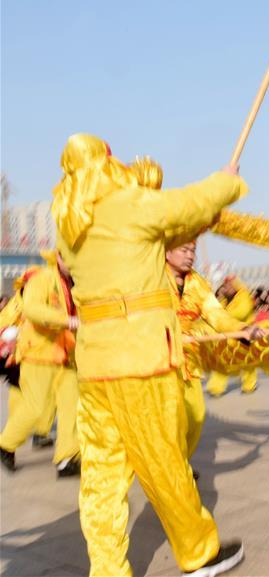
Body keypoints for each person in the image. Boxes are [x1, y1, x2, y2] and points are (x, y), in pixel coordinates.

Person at [52, 133, 246, 576]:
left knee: (101, 478)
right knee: (162, 461)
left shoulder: (70, 226)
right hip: (140, 358)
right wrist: (226, 181)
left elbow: (168, 228)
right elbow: (186, 205)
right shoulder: (126, 205)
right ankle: (198, 554)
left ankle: (107, 569)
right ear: (105, 165)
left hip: (96, 366)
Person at [166, 241, 264, 458]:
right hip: (156, 359)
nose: (190, 256)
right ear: (167, 251)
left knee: (196, 417)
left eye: (192, 251)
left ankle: (181, 464)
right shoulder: (152, 278)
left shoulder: (197, 283)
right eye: (184, 250)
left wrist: (241, 329)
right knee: (165, 420)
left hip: (189, 358)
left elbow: (215, 314)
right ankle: (170, 470)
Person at [0, 252, 80, 477]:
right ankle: (5, 445)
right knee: (36, 408)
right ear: (59, 258)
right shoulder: (42, 279)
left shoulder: (79, 284)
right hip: (38, 354)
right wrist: (65, 320)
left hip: (66, 357)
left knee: (71, 405)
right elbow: (32, 309)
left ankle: (67, 458)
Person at [206, 275, 259, 396]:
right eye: (225, 285)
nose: (226, 287)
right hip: (228, 335)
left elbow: (241, 312)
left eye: (229, 285)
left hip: (244, 333)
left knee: (247, 363)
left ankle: (249, 385)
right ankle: (216, 388)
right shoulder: (224, 300)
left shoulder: (245, 296)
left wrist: (223, 315)